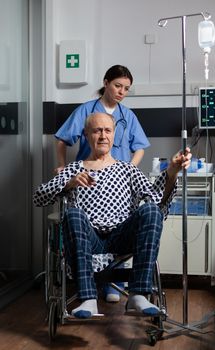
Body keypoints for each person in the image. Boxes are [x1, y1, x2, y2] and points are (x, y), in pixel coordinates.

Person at [34, 112, 191, 319]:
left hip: (121, 236)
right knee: (72, 215)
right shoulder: (73, 169)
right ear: (86, 135)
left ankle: (138, 294)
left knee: (151, 210)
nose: (102, 135)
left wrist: (172, 171)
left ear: (114, 134)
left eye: (107, 130)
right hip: (89, 239)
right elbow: (39, 198)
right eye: (97, 130)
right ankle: (88, 299)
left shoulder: (127, 169)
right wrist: (69, 183)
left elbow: (158, 199)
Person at [54, 64, 150, 302]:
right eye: (117, 85)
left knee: (122, 222)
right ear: (106, 83)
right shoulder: (87, 110)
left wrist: (129, 169)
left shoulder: (128, 115)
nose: (121, 92)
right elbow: (62, 141)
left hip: (119, 184)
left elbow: (140, 148)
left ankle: (114, 284)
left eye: (126, 88)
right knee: (89, 224)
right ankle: (89, 287)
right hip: (90, 181)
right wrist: (62, 167)